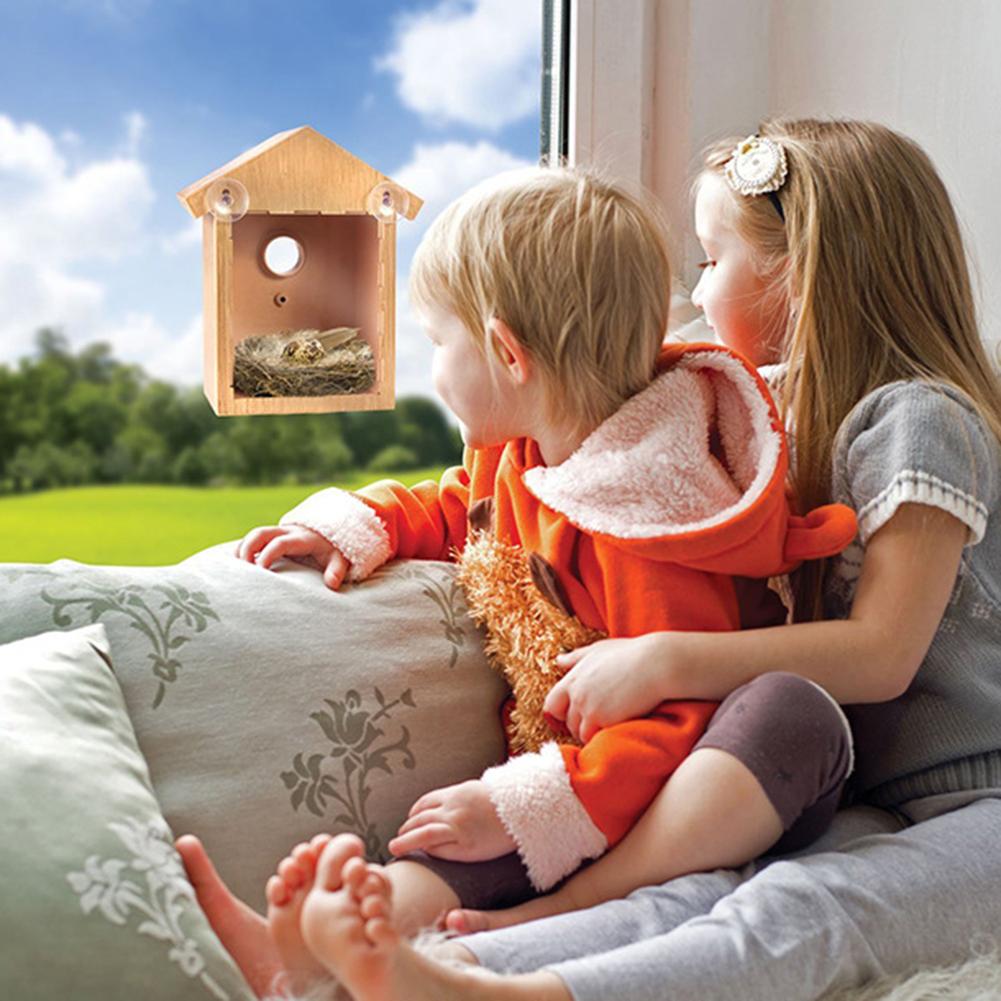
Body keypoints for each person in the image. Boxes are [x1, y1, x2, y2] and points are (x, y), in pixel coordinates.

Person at [219, 118, 1001, 1001]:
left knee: (814, 909)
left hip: (976, 803)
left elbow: (882, 654)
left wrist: (664, 660)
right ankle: (446, 965)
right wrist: (361, 522)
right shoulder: (758, 419)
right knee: (703, 889)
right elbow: (472, 496)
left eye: (710, 261)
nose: (696, 298)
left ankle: (517, 990)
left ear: (802, 271)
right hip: (863, 788)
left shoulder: (917, 417)